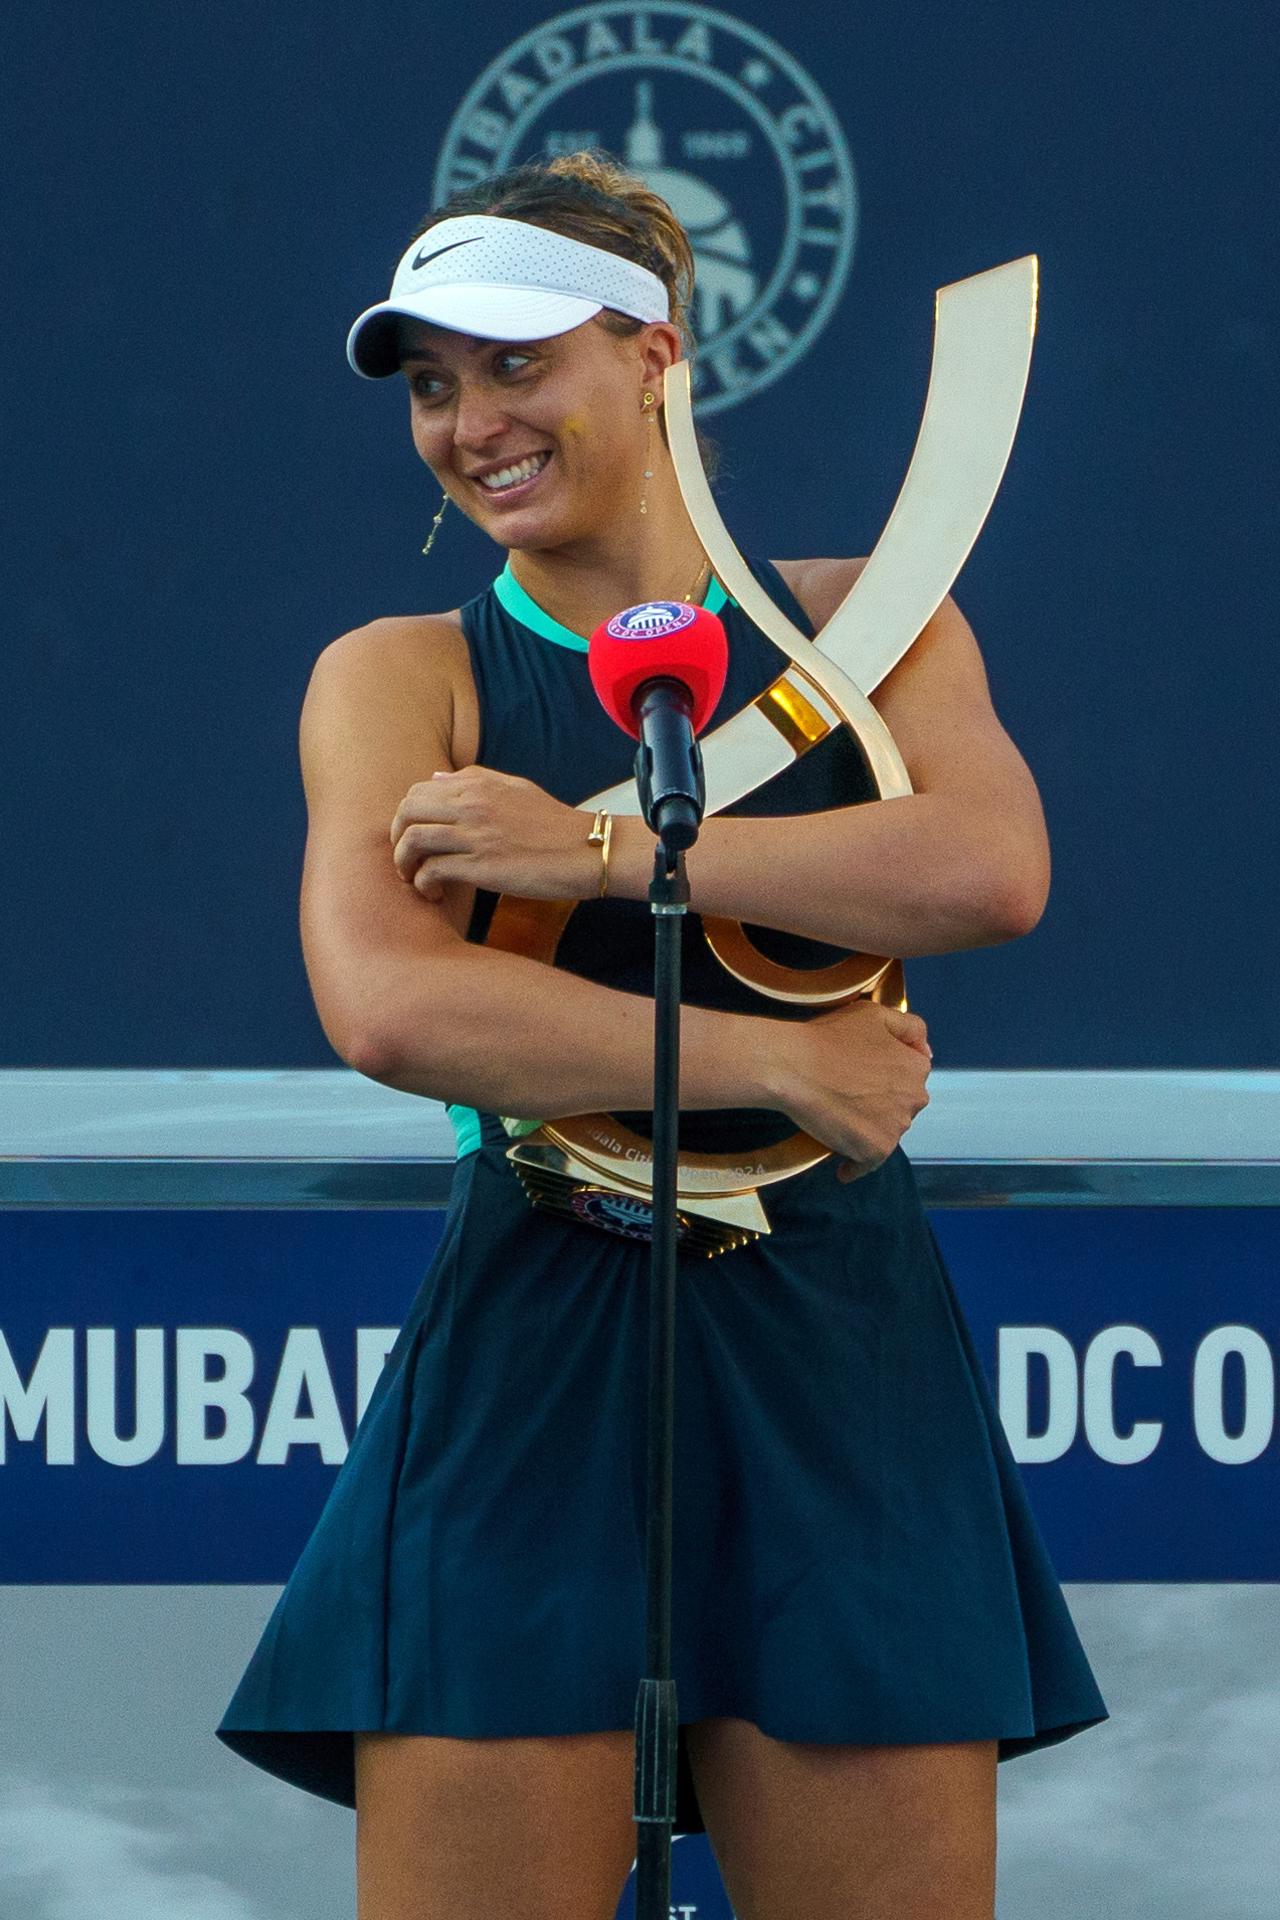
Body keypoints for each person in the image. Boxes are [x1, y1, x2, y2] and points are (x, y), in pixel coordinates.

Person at [216, 150, 1108, 1920]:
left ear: (653, 352)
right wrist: (779, 1064)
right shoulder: (399, 673)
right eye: (432, 384)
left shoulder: (875, 613)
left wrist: (601, 845)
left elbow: (988, 869)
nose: (470, 421)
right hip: (533, 1327)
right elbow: (394, 1003)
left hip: (837, 1340)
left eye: (514, 363)